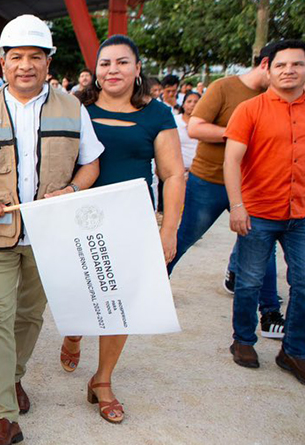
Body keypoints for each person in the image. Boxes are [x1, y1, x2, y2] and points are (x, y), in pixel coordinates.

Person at [0, 15, 104, 444]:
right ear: (1, 62)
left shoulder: (72, 108)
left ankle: (13, 376)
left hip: (48, 235)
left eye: (35, 56)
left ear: (48, 62)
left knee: (30, 315)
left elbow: (91, 163)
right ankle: (4, 415)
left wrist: (71, 188)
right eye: (16, 56)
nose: (25, 65)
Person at [63, 35, 185, 424]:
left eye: (122, 63)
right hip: (76, 217)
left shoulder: (157, 114)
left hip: (130, 221)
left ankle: (102, 381)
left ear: (136, 69)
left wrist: (169, 230)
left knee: (119, 304)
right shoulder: (73, 107)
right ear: (95, 71)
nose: (112, 70)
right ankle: (75, 331)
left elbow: (172, 174)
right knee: (77, 293)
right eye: (105, 64)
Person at [167, 43, 285, 339]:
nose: (290, 73)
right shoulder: (223, 87)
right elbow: (195, 128)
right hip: (210, 180)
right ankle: (150, 286)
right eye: (282, 66)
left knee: (262, 244)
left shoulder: (284, 97)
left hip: (255, 185)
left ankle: (269, 311)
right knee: (185, 236)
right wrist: (241, 134)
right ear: (267, 64)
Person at [223, 39, 305, 383]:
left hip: (300, 215)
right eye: (281, 65)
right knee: (250, 282)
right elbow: (232, 160)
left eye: (297, 64)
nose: (289, 71)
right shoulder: (250, 109)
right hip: (258, 212)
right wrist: (237, 206)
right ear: (267, 70)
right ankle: (243, 340)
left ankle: (294, 351)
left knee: (303, 282)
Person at [174, 91, 201, 170]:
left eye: (196, 102)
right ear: (183, 104)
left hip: (198, 170)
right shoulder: (175, 121)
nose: (192, 104)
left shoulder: (205, 123)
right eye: (189, 101)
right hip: (179, 169)